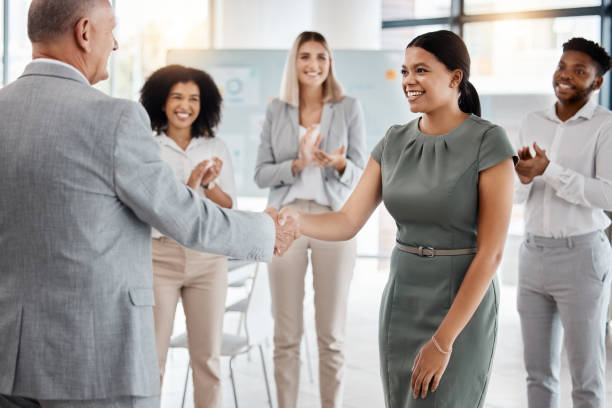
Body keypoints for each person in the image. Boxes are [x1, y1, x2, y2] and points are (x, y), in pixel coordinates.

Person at [0, 1, 297, 407]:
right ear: (85, 32)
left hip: (9, 359)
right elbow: (182, 214)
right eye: (112, 30)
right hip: (96, 361)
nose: (116, 43)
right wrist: (265, 230)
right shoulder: (113, 118)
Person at [278, 30, 517, 408]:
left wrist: (442, 341)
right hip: (402, 299)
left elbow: (492, 255)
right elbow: (347, 220)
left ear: (455, 78)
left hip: (460, 305)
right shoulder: (394, 141)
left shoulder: (489, 142)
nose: (408, 81)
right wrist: (295, 221)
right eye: (405, 71)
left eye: (420, 70)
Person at [254, 31, 367, 408]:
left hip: (334, 221)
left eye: (321, 56)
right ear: (294, 61)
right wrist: (298, 163)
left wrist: (336, 163)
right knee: (286, 333)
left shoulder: (348, 107)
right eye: (305, 56)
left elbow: (360, 171)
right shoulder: (277, 110)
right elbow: (260, 175)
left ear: (330, 62)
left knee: (331, 334)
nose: (313, 64)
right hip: (286, 220)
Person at [514, 37, 612, 408]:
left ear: (596, 82)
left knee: (586, 378)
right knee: (537, 374)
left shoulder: (606, 126)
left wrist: (550, 170)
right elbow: (519, 195)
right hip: (532, 253)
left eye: (579, 70)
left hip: (581, 258)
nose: (565, 76)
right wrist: (523, 178)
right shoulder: (531, 121)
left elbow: (608, 195)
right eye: (562, 66)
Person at [139, 65, 234, 408]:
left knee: (207, 360)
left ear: (204, 104)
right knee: (152, 359)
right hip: (158, 258)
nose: (185, 105)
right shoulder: (147, 147)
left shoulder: (216, 146)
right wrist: (190, 184)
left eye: (194, 98)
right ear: (161, 102)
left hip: (207, 260)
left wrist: (209, 184)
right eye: (177, 96)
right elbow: (150, 207)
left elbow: (228, 206)